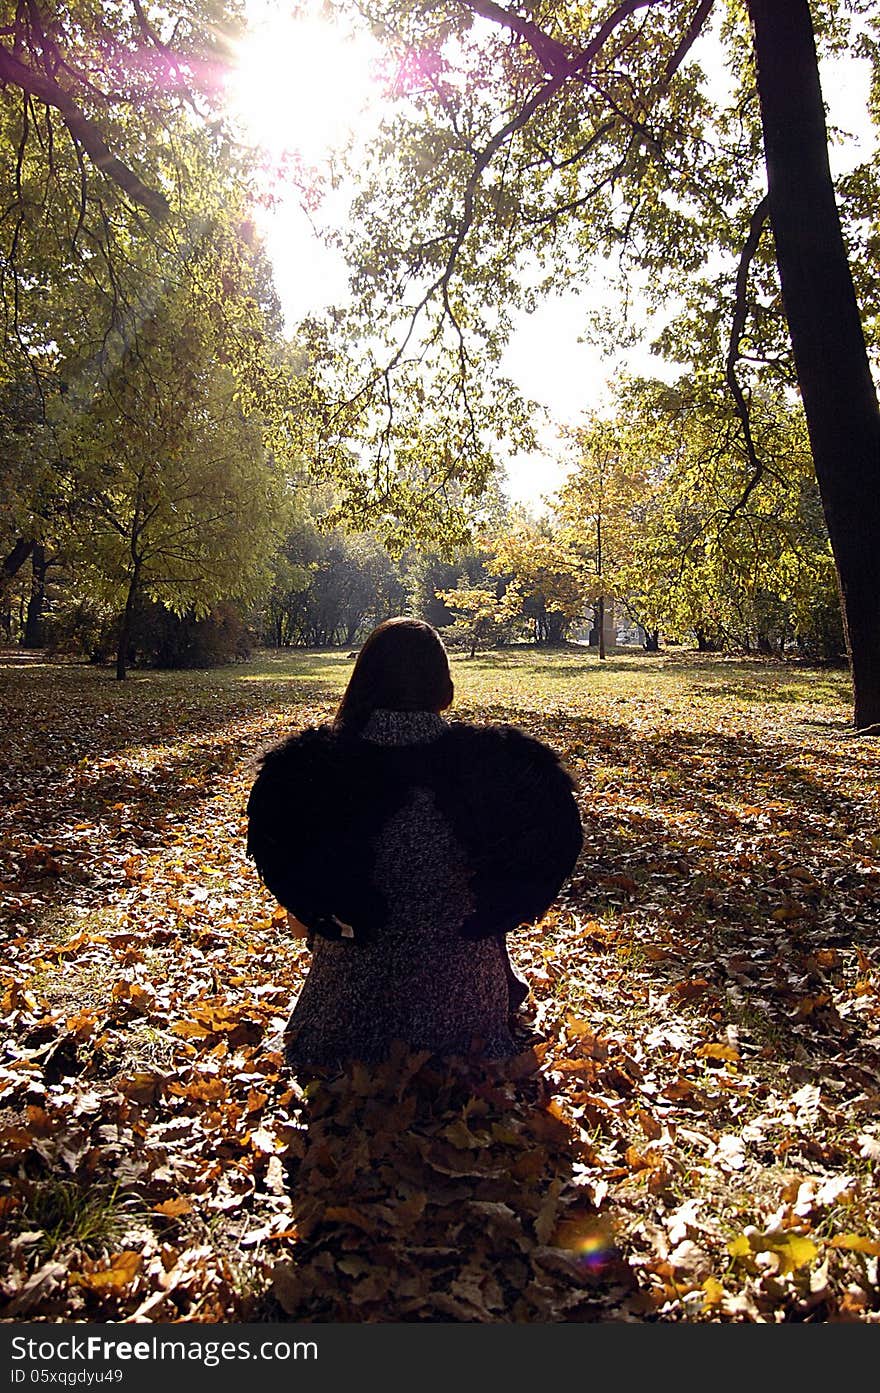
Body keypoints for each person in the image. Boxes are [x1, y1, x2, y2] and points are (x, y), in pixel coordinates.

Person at [245, 617, 582, 1068]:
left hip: (339, 1027)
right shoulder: (500, 768)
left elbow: (285, 866)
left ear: (363, 679)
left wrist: (328, 916)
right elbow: (552, 849)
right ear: (442, 685)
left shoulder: (310, 769)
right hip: (467, 1027)